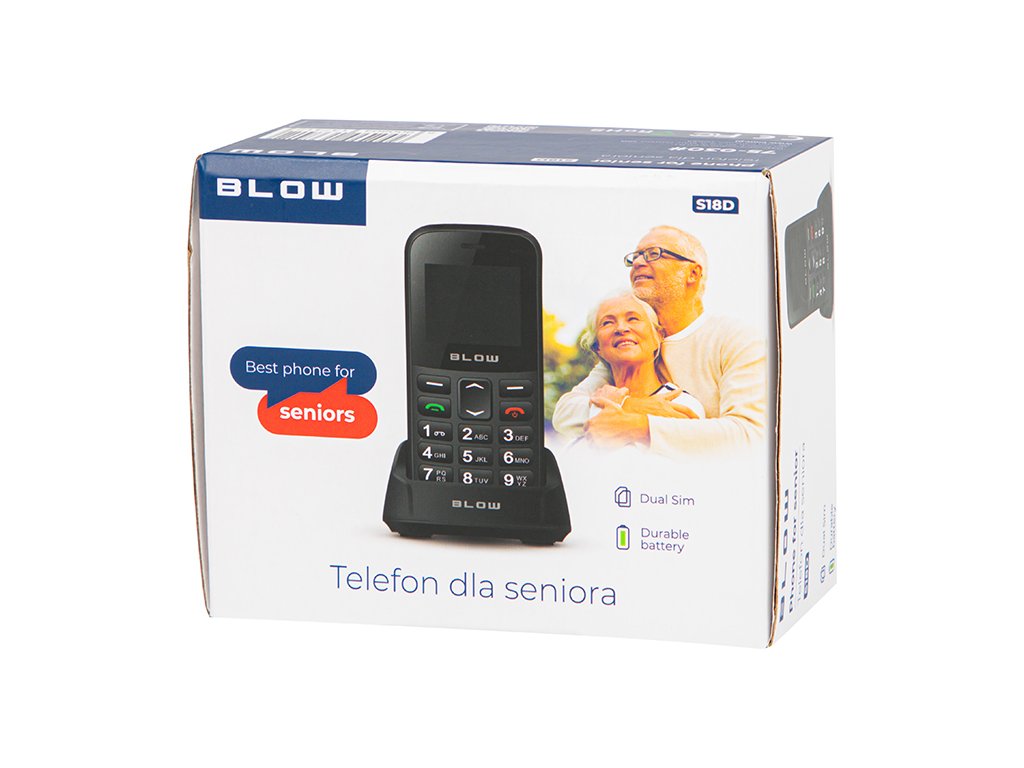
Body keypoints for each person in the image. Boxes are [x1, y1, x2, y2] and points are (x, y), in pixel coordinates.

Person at [552, 226, 766, 455]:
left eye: (653, 253)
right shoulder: (635, 346)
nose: (637, 263)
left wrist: (638, 426)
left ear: (693, 273)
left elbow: (750, 434)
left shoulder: (735, 338)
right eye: (635, 257)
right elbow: (565, 412)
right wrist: (634, 406)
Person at [577, 292, 704, 436]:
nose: (621, 328)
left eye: (633, 319)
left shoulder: (680, 404)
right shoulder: (590, 403)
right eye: (607, 322)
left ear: (658, 336)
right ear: (597, 347)